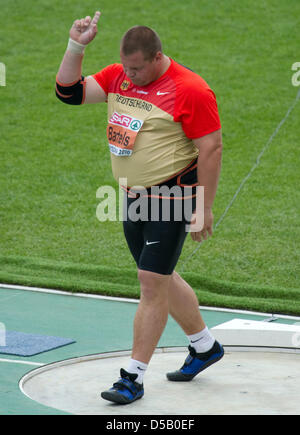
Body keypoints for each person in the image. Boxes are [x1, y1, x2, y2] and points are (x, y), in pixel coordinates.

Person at [56, 11, 224, 405]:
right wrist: (76, 46)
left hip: (171, 197)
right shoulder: (118, 75)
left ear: (157, 57)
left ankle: (131, 378)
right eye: (126, 67)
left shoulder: (191, 89)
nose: (129, 76)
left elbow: (211, 148)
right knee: (159, 278)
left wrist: (204, 206)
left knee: (151, 283)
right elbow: (68, 92)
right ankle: (204, 346)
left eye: (137, 68)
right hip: (132, 197)